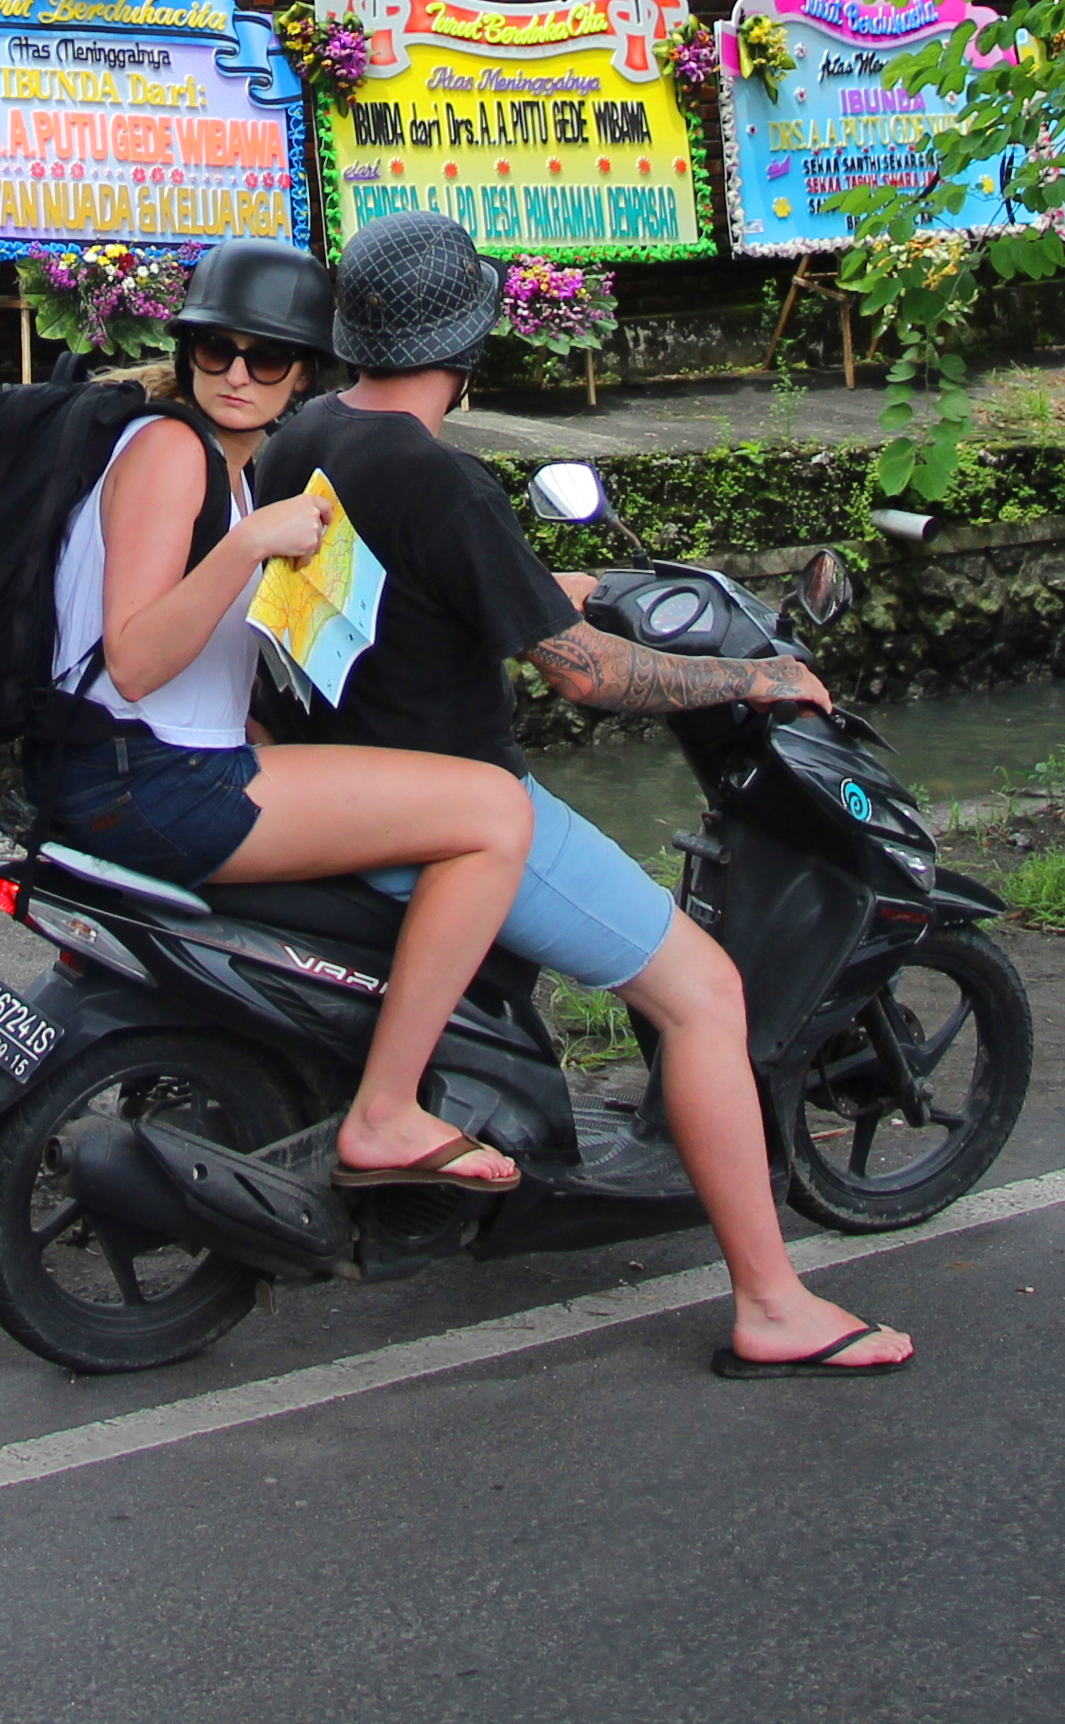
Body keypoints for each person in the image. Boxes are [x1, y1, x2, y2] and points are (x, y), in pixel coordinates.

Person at [259, 212, 913, 1379]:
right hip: (448, 808)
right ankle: (773, 1303)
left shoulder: (306, 435)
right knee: (706, 994)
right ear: (471, 345)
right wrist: (757, 678)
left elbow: (403, 591)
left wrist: (548, 583)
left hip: (336, 787)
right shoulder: (442, 478)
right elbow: (591, 678)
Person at [25, 236, 545, 1193]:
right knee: (495, 812)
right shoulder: (172, 452)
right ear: (188, 350)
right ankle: (386, 1112)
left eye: (266, 358)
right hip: (149, 783)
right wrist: (250, 545)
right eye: (216, 349)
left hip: (143, 767)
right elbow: (133, 660)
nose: (237, 374)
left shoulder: (221, 460)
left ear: (304, 372)